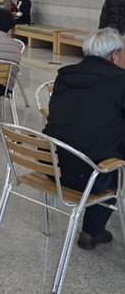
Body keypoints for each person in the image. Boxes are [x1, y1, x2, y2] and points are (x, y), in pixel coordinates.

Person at [43, 28, 125, 250]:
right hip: (92, 177)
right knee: (113, 163)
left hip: (53, 168)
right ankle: (92, 231)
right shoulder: (120, 81)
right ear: (114, 55)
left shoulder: (64, 75)